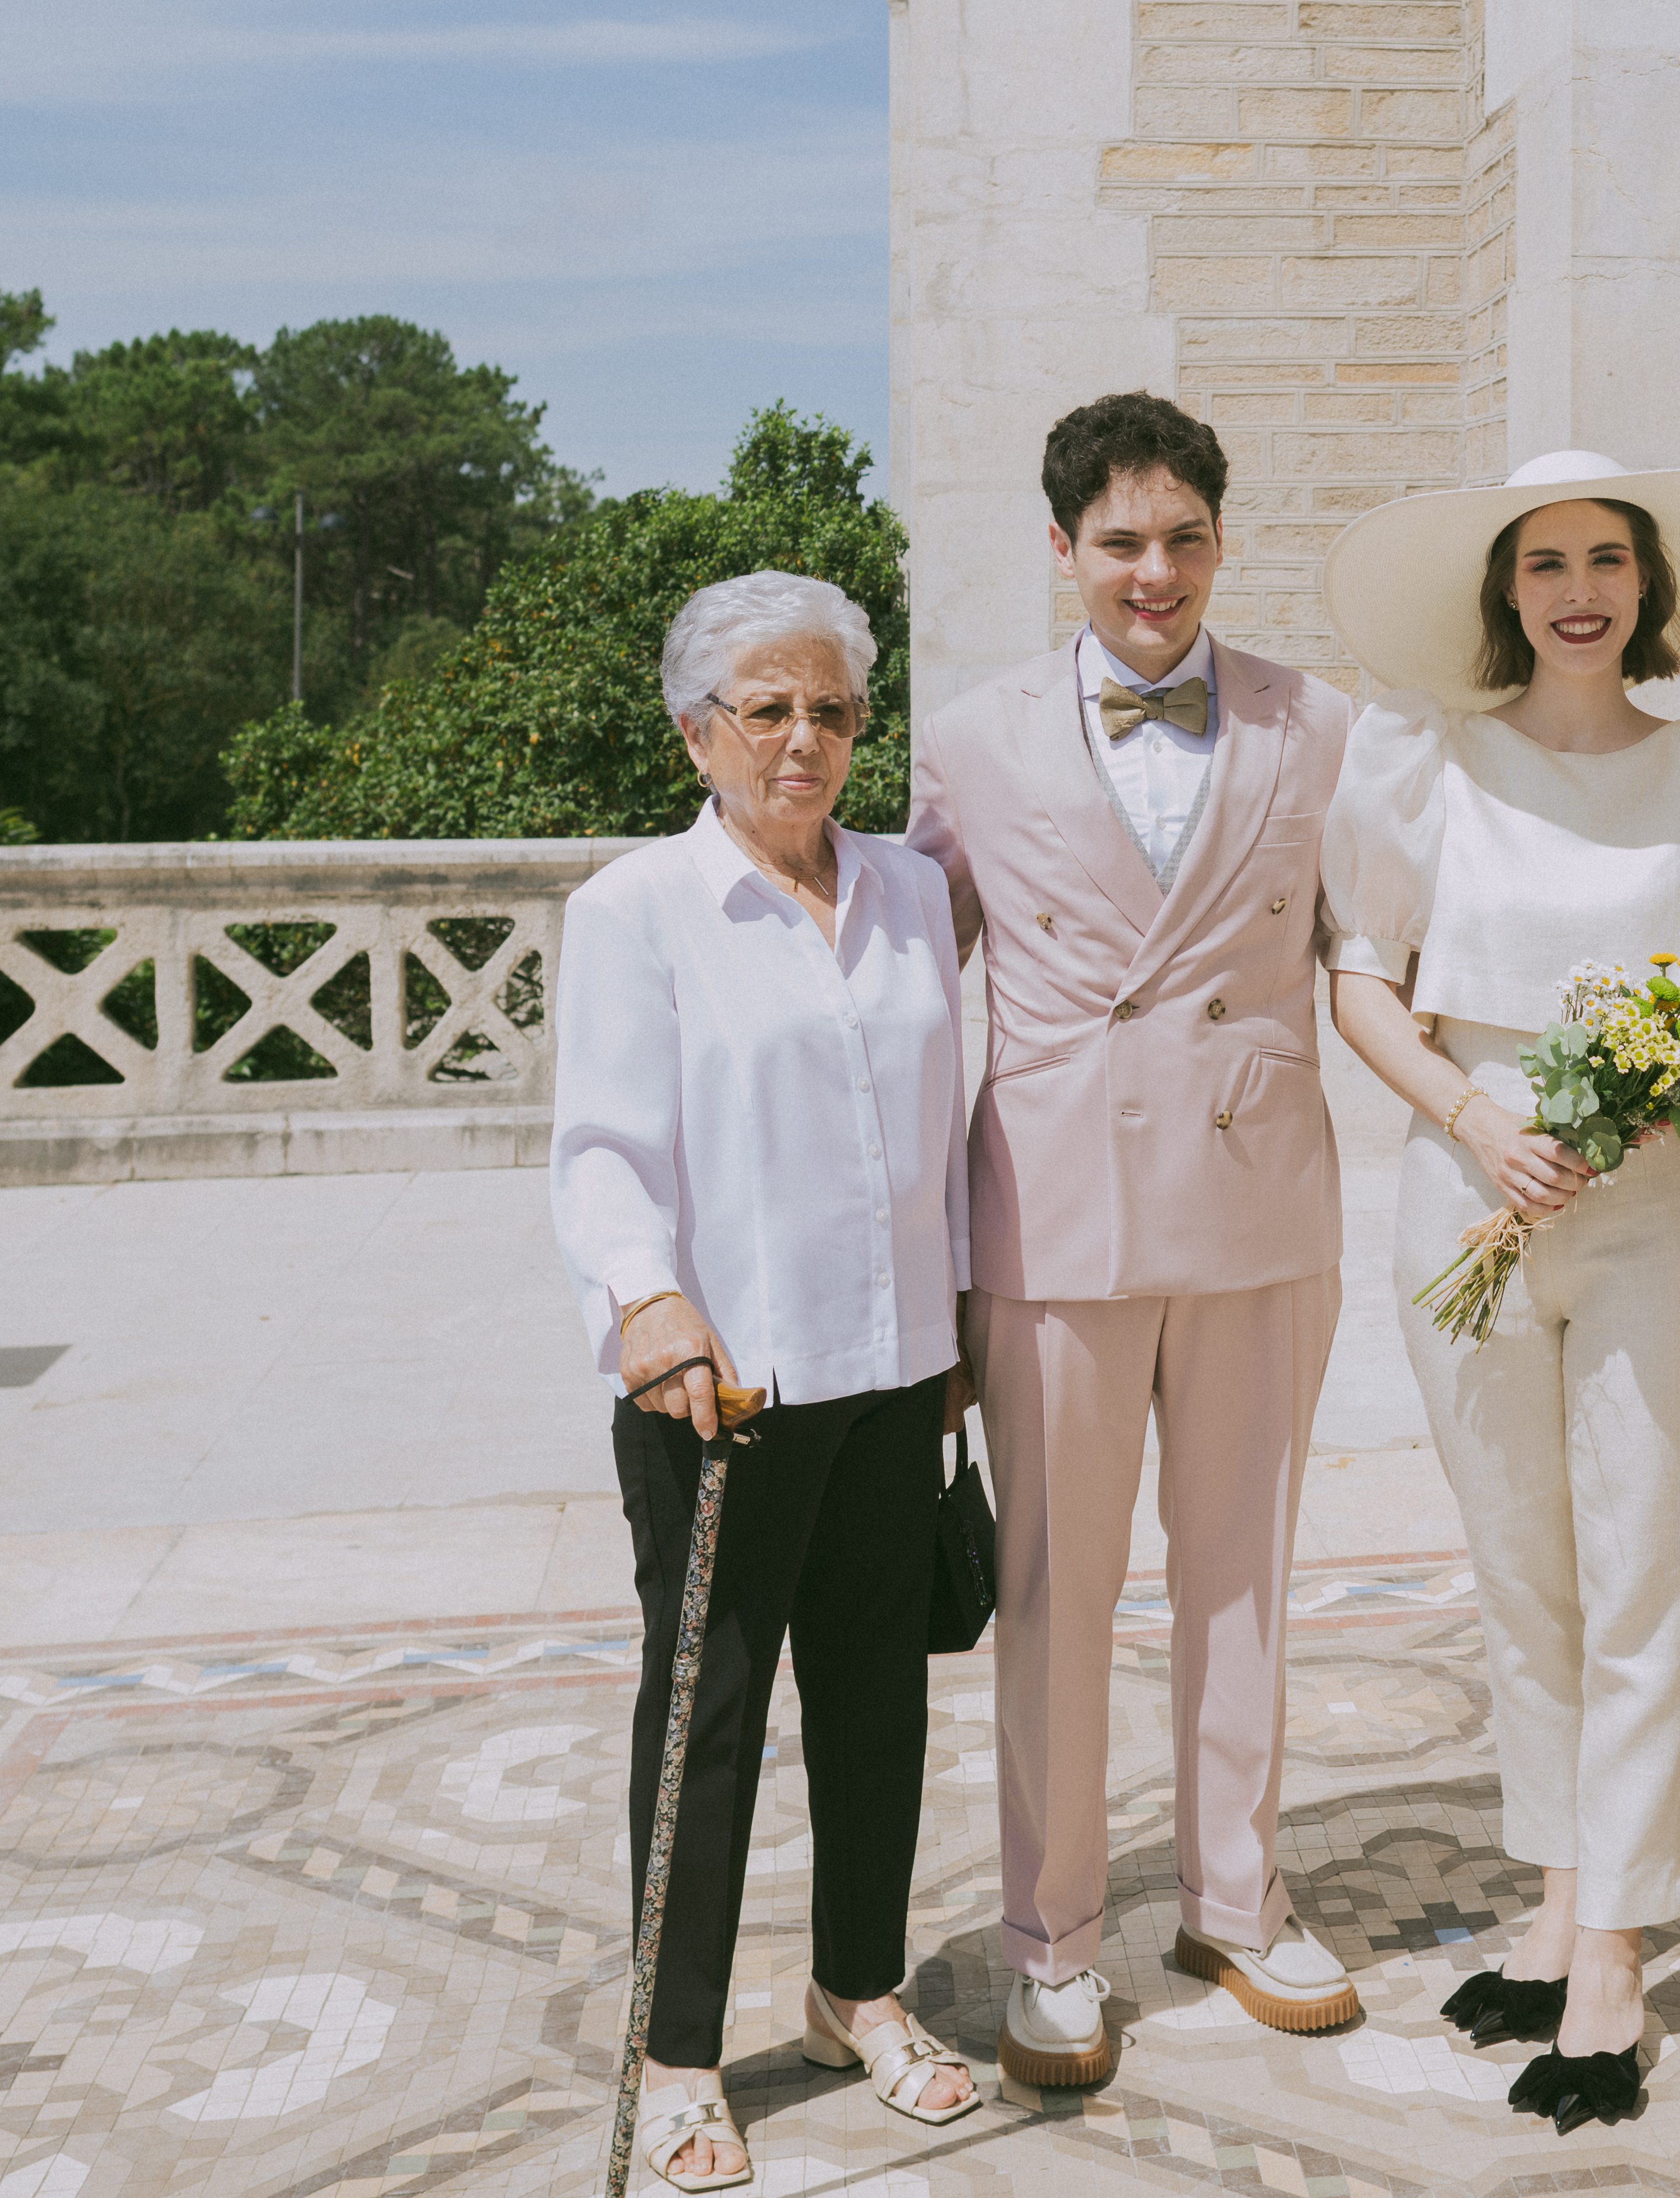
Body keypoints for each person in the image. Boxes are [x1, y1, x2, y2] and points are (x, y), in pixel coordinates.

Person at [1317, 448, 1680, 2133]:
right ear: (1507, 589)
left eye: (1609, 556)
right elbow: (1365, 984)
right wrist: (1477, 1120)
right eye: (1547, 560)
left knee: (1637, 1571)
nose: (1579, 587)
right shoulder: (1422, 760)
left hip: (1658, 1212)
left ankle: (1612, 1945)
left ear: (1648, 584)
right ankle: (1553, 1888)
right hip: (1465, 1203)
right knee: (1521, 1570)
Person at [904, 393, 1366, 2095]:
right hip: (1053, 1210)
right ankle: (1051, 1938)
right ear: (1062, 552)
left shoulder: (1319, 724)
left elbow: (1378, 953)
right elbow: (905, 987)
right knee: (1056, 1592)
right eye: (1119, 542)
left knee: (1245, 1567)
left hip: (1260, 1206)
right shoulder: (967, 737)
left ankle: (1236, 1897)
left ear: (1222, 542)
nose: (1153, 571)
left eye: (1182, 537)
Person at [550, 571, 982, 2195]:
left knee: (879, 1693)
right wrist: (647, 1301)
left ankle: (855, 1988)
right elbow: (598, 1144)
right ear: (696, 731)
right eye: (769, 708)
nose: (807, 739)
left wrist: (948, 1335)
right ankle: (676, 2054)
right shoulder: (635, 909)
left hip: (890, 1371)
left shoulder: (908, 894)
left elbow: (933, 1129)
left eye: (836, 710)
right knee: (707, 1716)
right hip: (717, 1386)